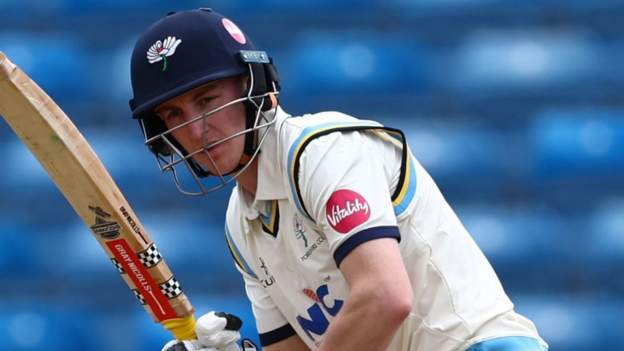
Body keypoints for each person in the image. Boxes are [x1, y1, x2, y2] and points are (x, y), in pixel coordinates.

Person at [129, 8, 548, 351]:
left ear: (254, 86)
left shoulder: (323, 153)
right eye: (173, 116)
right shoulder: (241, 222)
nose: (195, 129)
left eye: (207, 100)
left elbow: (385, 299)